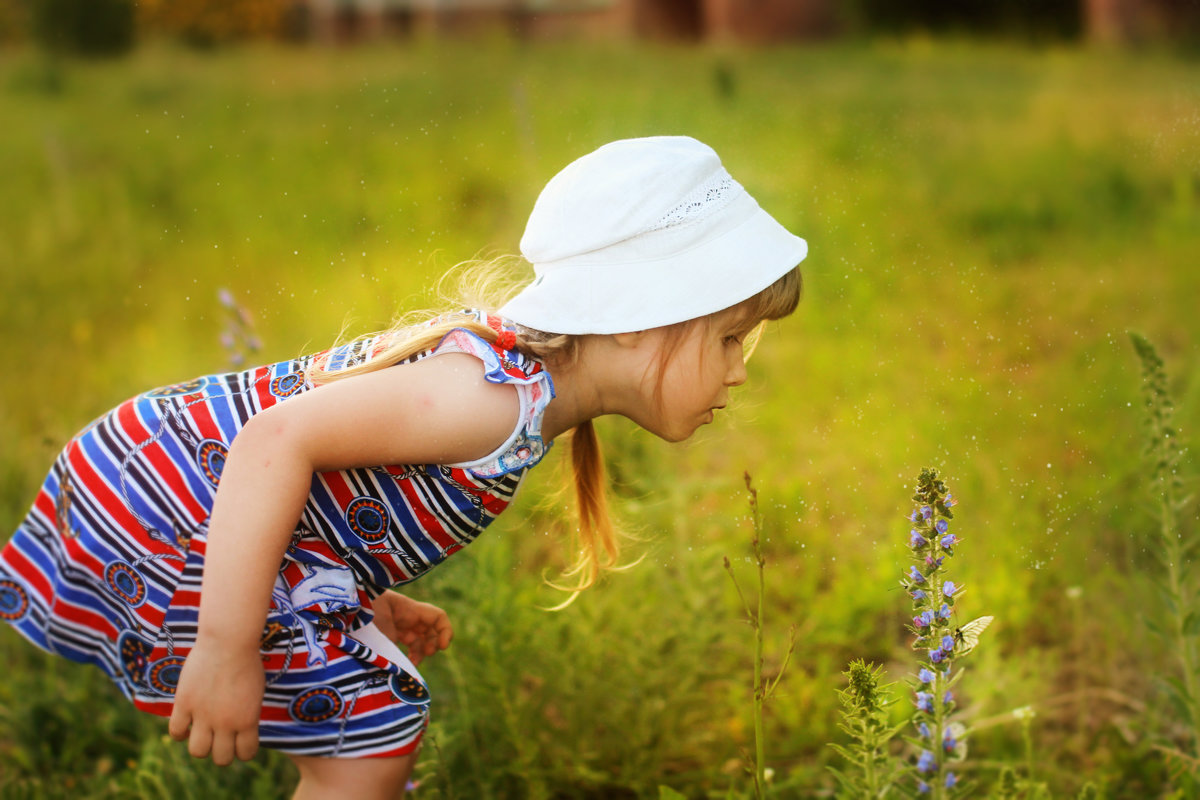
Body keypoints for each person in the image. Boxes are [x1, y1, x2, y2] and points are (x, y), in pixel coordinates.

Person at [0, 136, 807, 799]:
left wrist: (360, 596)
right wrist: (225, 645)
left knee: (375, 718)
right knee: (373, 728)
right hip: (161, 507)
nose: (738, 372)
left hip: (175, 488)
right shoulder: (489, 402)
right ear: (635, 322)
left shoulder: (518, 391)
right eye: (729, 340)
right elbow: (273, 442)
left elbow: (331, 488)